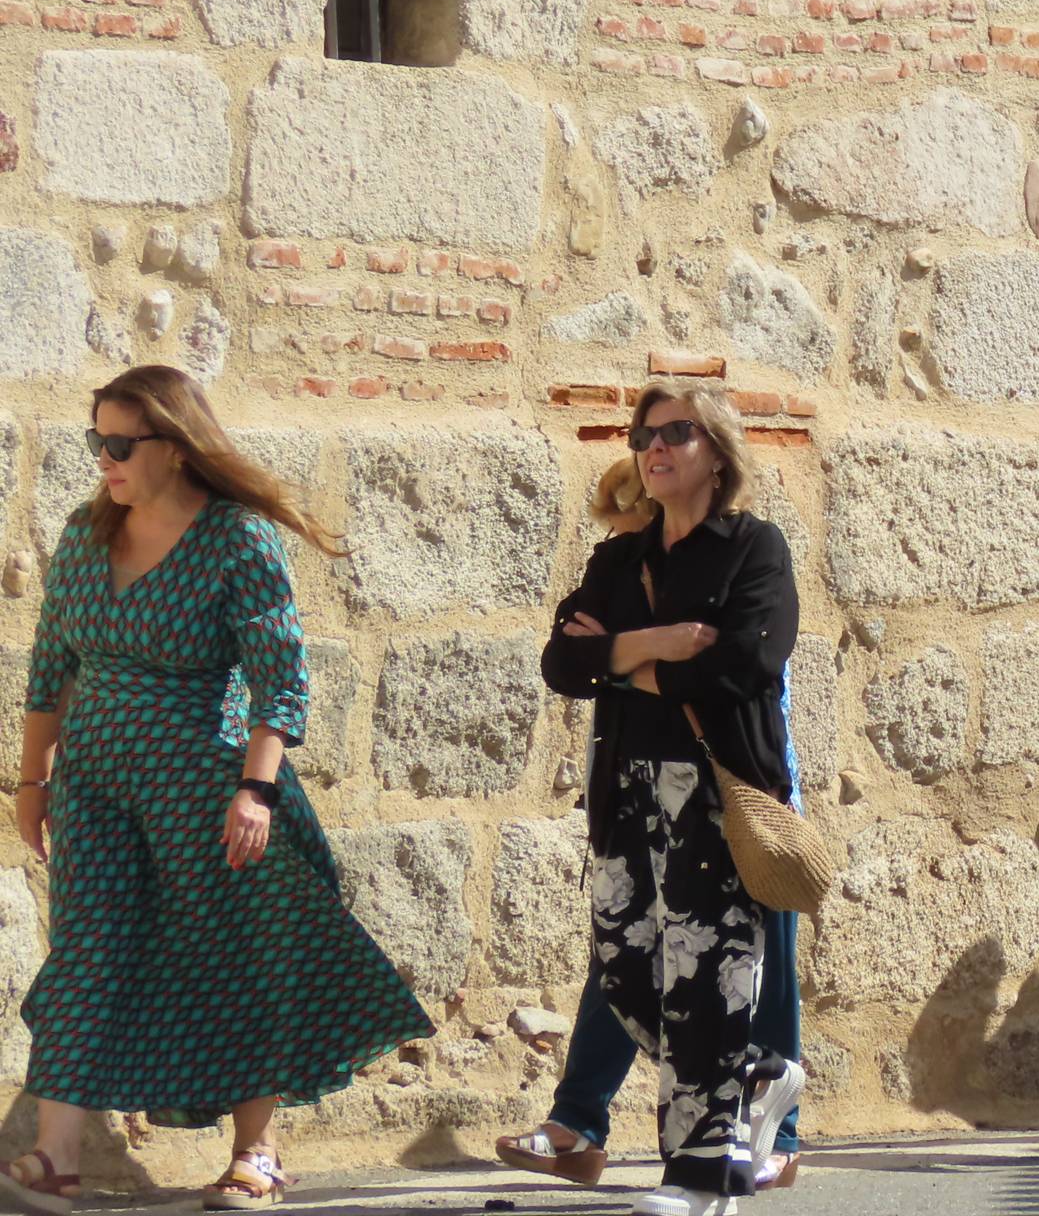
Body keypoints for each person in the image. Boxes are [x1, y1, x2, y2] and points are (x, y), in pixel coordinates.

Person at [9, 365, 431, 1209]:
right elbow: (50, 668)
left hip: (205, 785)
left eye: (120, 443)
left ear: (175, 446)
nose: (104, 457)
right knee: (86, 949)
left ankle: (258, 1153)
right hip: (93, 786)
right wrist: (31, 778)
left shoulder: (236, 539)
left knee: (239, 956)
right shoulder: (82, 535)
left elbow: (281, 680)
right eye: (96, 440)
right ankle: (55, 1157)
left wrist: (257, 791)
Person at [500, 459, 805, 1192]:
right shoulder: (628, 574)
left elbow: (733, 671)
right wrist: (638, 652)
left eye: (637, 520)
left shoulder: (738, 567)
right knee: (627, 958)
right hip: (642, 806)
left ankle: (774, 1130)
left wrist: (624, 659)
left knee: (753, 968)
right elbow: (566, 658)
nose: (636, 540)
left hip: (739, 802)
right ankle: (587, 1121)